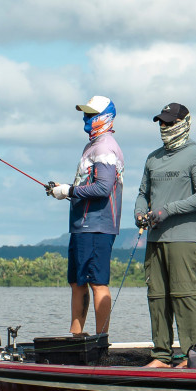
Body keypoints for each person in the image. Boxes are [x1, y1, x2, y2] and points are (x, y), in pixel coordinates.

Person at [133, 102, 196, 368]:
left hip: (184, 237)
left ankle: (193, 356)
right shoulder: (152, 158)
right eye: (161, 123)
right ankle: (161, 355)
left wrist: (168, 210)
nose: (164, 128)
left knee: (185, 296)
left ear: (184, 123)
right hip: (155, 239)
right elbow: (142, 193)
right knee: (157, 297)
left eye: (169, 123)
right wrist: (139, 212)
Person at [46, 96, 125, 338]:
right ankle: (76, 337)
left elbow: (103, 188)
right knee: (77, 282)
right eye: (86, 114)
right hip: (82, 225)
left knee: (97, 283)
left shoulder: (104, 147)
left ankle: (101, 340)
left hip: (96, 226)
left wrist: (69, 191)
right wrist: (65, 188)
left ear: (105, 117)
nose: (87, 119)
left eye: (92, 115)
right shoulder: (92, 145)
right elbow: (89, 184)